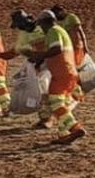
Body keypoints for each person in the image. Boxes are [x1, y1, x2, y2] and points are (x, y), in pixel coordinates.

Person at [26, 9, 85, 144]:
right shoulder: (61, 30)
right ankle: (63, 134)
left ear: (45, 23)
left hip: (61, 72)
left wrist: (40, 55)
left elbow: (56, 49)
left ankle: (75, 128)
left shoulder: (53, 31)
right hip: (69, 71)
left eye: (41, 25)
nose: (41, 28)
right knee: (62, 104)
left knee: (56, 103)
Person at [0, 10, 50, 128]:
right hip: (37, 66)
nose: (19, 28)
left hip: (50, 63)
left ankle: (48, 119)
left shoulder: (42, 28)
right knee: (41, 92)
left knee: (48, 92)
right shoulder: (24, 34)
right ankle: (45, 118)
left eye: (19, 25)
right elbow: (14, 52)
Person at [51, 4, 88, 104]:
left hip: (77, 46)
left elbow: (80, 32)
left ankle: (78, 93)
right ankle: (75, 91)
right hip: (70, 48)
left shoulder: (72, 18)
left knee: (74, 69)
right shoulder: (61, 22)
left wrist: (85, 46)